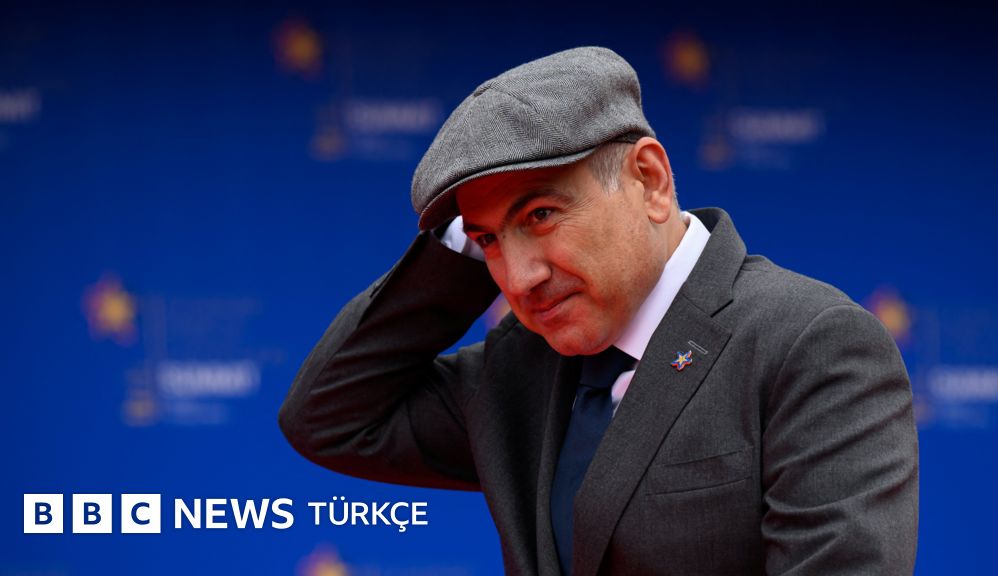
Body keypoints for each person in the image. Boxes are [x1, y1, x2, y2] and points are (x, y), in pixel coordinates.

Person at [279, 46, 919, 575]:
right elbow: (329, 419)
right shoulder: (519, 366)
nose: (519, 279)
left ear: (650, 180)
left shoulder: (809, 344)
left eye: (540, 214)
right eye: (490, 241)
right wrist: (460, 246)